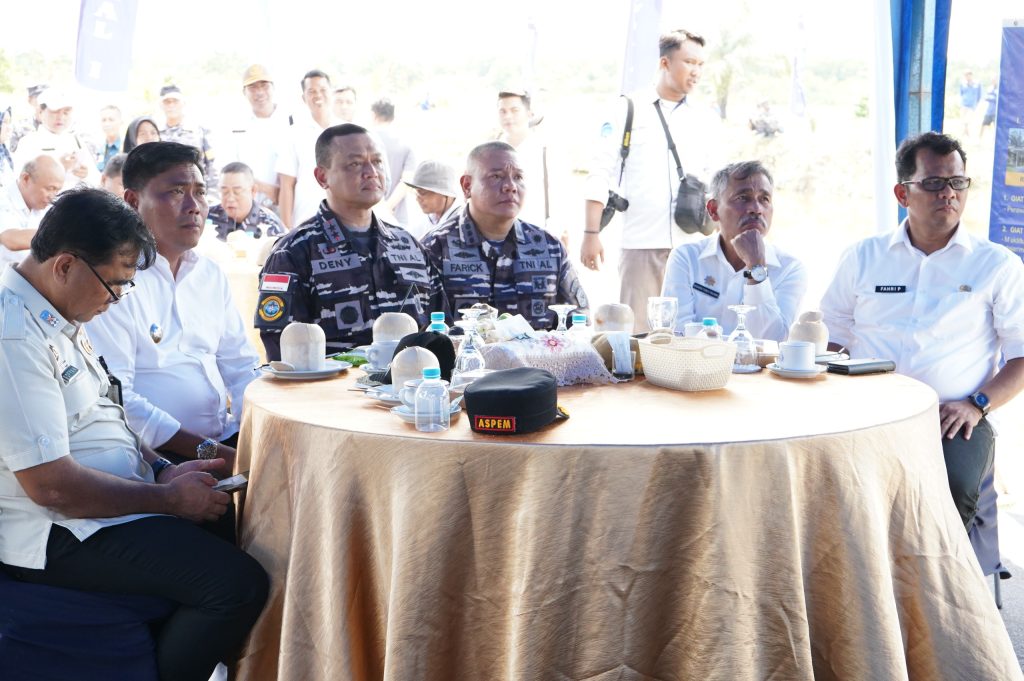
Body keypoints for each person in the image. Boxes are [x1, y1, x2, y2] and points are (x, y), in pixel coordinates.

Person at [0, 188, 268, 681]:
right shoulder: (13, 334)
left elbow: (107, 415)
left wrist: (164, 470)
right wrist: (169, 500)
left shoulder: (58, 310)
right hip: (57, 530)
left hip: (108, 504)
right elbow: (52, 487)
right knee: (236, 585)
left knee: (245, 524)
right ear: (65, 266)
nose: (116, 299)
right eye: (115, 284)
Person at [821, 132, 1024, 530]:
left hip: (952, 417)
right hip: (866, 409)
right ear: (902, 193)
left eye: (957, 182)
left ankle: (938, 571)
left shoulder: (997, 265)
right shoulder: (863, 257)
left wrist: (977, 404)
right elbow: (832, 335)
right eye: (933, 183)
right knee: (823, 478)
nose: (948, 193)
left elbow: (1021, 354)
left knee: (950, 490)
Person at [87, 142, 260, 471]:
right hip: (153, 458)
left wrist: (256, 436)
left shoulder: (210, 274)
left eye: (200, 192)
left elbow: (241, 367)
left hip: (224, 438)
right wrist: (222, 457)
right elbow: (117, 399)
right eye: (177, 192)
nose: (194, 207)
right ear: (133, 202)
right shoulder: (112, 281)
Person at [258, 124, 446, 359]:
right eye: (355, 164)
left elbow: (440, 331)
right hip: (333, 383)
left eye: (377, 162)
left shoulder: (409, 247)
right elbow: (282, 353)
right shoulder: (293, 253)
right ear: (322, 177)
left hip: (410, 381)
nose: (371, 172)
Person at [582, 28, 717, 332]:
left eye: (700, 64)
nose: (696, 71)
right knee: (637, 335)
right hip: (641, 243)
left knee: (690, 335)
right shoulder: (628, 108)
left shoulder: (704, 117)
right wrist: (591, 233)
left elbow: (716, 180)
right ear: (665, 63)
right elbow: (600, 172)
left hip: (692, 245)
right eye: (689, 62)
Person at [421, 141, 587, 329]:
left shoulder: (549, 248)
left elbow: (579, 321)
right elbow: (418, 330)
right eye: (496, 176)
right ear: (467, 186)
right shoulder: (435, 248)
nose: (510, 186)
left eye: (518, 177)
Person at [661, 160, 806, 339]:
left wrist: (756, 268)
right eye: (742, 198)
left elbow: (773, 341)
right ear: (713, 210)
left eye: (764, 199)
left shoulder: (790, 269)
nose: (756, 209)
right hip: (695, 358)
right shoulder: (686, 258)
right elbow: (678, 334)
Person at [495, 88, 565, 244]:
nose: (508, 116)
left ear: (529, 114)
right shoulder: (489, 152)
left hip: (537, 238)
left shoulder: (546, 150)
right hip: (497, 238)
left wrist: (552, 238)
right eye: (502, 111)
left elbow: (559, 197)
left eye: (514, 110)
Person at [277, 69, 339, 229]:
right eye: (311, 91)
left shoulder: (346, 130)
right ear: (304, 98)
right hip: (305, 221)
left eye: (323, 90)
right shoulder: (293, 134)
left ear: (331, 92)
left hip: (343, 219)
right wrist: (287, 230)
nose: (318, 95)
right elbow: (287, 185)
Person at [223, 64, 291, 210]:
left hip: (287, 205)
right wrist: (267, 189)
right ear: (244, 92)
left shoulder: (291, 121)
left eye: (264, 86)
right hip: (247, 206)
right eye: (253, 87)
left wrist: (283, 193)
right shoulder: (236, 125)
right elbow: (230, 169)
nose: (259, 92)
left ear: (273, 88)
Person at [14, 88, 100, 190]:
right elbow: (21, 181)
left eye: (66, 113)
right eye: (55, 112)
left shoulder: (77, 141)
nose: (60, 117)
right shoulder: (29, 142)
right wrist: (58, 168)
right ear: (40, 112)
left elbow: (96, 180)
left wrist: (86, 175)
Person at [0, 156, 65, 266]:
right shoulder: (3, 199)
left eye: (57, 190)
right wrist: (61, 236)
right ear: (25, 179)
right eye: (50, 189)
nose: (53, 197)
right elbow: (11, 240)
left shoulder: (42, 204)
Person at [158, 84, 218, 194]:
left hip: (196, 193)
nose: (171, 105)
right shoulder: (155, 134)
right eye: (167, 102)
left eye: (175, 101)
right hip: (167, 195)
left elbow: (212, 163)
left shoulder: (199, 131)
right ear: (161, 105)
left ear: (183, 103)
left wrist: (212, 194)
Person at [208, 161, 287, 240]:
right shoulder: (208, 216)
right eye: (224, 191)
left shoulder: (270, 225)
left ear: (253, 190)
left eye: (237, 191)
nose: (230, 198)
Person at [371, 97, 417, 225]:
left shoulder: (365, 140)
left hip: (370, 214)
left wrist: (380, 209)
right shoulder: (406, 142)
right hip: (397, 216)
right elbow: (407, 181)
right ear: (393, 117)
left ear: (373, 115)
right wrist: (388, 207)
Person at [404, 159, 462, 240]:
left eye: (422, 192)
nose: (417, 199)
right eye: (417, 192)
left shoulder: (462, 222)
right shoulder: (426, 219)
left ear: (444, 193)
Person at [96, 104, 122, 171]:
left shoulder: (126, 148)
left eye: (111, 120)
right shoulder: (98, 149)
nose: (107, 124)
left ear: (120, 122)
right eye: (103, 120)